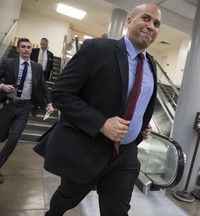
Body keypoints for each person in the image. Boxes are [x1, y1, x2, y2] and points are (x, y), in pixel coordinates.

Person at [33, 3, 162, 216]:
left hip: (125, 155)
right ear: (130, 21)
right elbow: (61, 94)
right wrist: (101, 123)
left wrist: (140, 124)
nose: (151, 26)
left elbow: (139, 101)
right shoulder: (97, 49)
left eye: (156, 24)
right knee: (66, 199)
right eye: (146, 18)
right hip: (88, 148)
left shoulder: (151, 65)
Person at [0, 38, 54, 183]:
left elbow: (43, 86)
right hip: (8, 105)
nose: (26, 49)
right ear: (18, 49)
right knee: (1, 136)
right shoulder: (8, 63)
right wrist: (2, 86)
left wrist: (48, 103)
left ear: (31, 49)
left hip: (24, 108)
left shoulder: (36, 67)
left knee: (13, 139)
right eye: (23, 47)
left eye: (28, 47)